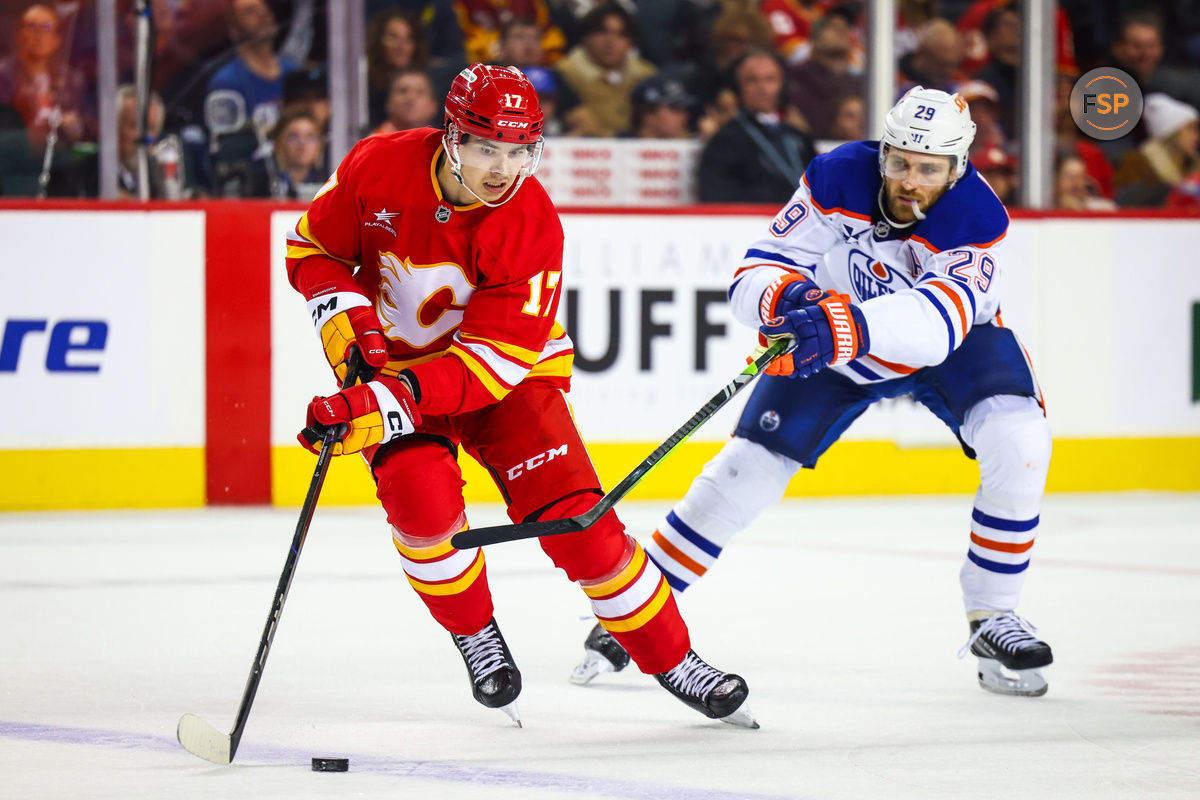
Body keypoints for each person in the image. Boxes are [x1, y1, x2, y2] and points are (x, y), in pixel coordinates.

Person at [283, 63, 757, 729]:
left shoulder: (531, 223)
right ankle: (473, 630)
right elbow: (312, 251)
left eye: (519, 151)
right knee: (422, 514)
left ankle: (673, 657)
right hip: (395, 372)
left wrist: (378, 404)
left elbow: (486, 367)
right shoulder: (377, 166)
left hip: (509, 382)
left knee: (585, 531)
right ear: (451, 137)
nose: (504, 169)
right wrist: (351, 331)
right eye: (486, 149)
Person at [573, 86, 1056, 700]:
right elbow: (757, 271)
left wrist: (843, 326)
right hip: (835, 338)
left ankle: (994, 615)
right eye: (900, 161)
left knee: (1019, 441)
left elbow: (937, 328)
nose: (910, 181)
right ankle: (638, 619)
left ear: (957, 168)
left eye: (929, 169)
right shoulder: (837, 175)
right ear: (882, 152)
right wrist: (791, 300)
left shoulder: (977, 215)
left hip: (952, 344)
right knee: (742, 473)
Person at [698, 48, 815, 203]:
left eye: (770, 79)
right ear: (738, 88)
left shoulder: (798, 137)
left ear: (782, 85)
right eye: (752, 80)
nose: (762, 88)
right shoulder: (724, 140)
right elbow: (715, 194)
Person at [1113, 92, 1200, 207]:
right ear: (1172, 135)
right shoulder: (1139, 165)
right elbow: (1126, 207)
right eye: (1190, 130)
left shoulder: (1193, 167)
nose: (1196, 138)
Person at [246, 107, 325, 200]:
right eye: (294, 137)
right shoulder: (258, 184)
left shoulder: (329, 185)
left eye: (310, 137)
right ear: (278, 142)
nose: (302, 144)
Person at [370, 68, 441, 135]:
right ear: (389, 103)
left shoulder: (443, 144)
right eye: (403, 91)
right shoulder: (374, 142)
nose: (410, 98)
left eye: (420, 92)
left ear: (433, 106)